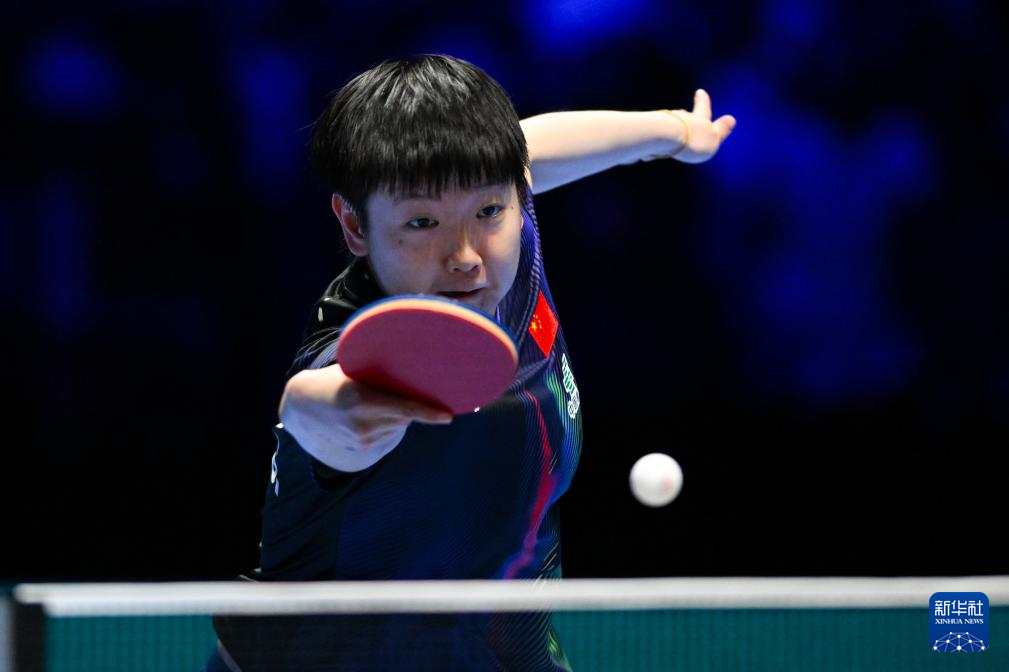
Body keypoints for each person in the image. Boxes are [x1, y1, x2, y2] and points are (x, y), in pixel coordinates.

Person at [204, 54, 735, 672]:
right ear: (353, 225)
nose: (465, 257)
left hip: (503, 652)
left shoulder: (508, 223)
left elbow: (529, 149)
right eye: (422, 222)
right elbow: (324, 406)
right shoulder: (361, 352)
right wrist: (311, 404)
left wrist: (673, 130)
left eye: (488, 210)